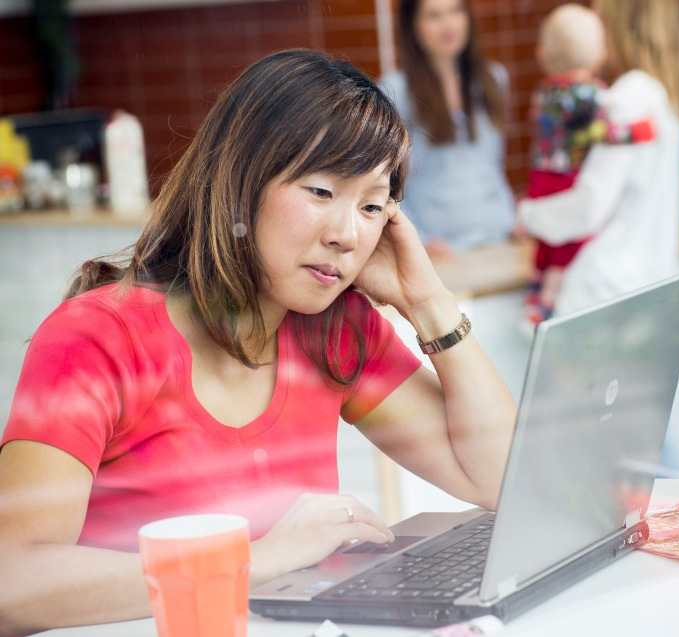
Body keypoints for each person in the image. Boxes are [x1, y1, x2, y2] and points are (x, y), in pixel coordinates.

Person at [0, 49, 516, 636]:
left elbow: (497, 479)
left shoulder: (335, 331)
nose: (347, 235)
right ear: (241, 181)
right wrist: (256, 558)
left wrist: (430, 304)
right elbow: (12, 581)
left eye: (372, 206)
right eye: (321, 191)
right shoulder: (98, 337)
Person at [516, 0, 679, 318]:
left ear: (617, 24)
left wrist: (528, 215)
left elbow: (590, 205)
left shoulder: (628, 96)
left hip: (603, 291)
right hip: (649, 283)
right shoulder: (665, 97)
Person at [380, 0, 516, 260]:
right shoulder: (395, 90)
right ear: (413, 25)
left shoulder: (494, 80)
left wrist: (511, 219)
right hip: (440, 252)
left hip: (498, 238)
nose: (448, 25)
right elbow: (387, 186)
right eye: (434, 15)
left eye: (455, 11)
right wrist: (419, 240)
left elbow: (494, 166)